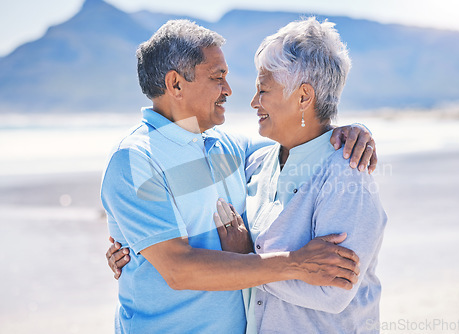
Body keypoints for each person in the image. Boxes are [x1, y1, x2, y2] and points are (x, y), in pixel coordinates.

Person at [101, 19, 376, 333]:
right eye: (218, 77)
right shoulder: (135, 159)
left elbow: (305, 140)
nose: (229, 90)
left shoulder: (232, 147)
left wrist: (351, 132)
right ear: (176, 84)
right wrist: (294, 264)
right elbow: (179, 269)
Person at [212, 17, 387, 333]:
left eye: (263, 90)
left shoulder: (346, 175)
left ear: (304, 97)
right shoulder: (260, 162)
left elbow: (333, 292)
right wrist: (131, 246)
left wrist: (245, 262)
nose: (253, 102)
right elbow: (191, 183)